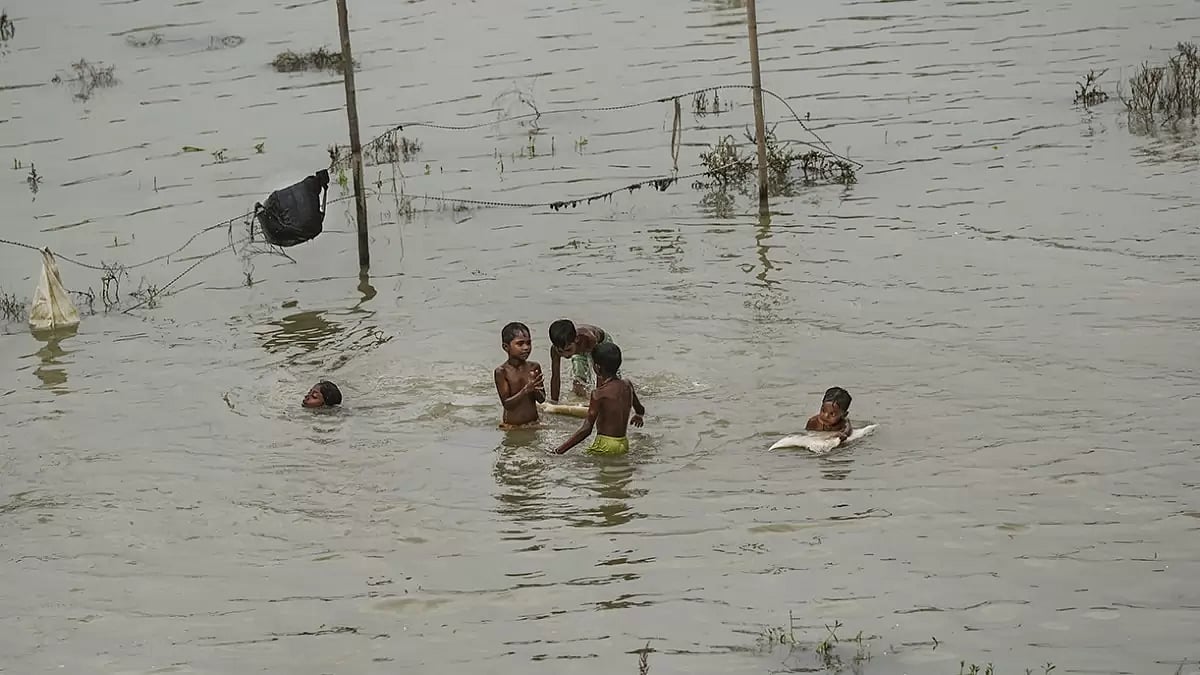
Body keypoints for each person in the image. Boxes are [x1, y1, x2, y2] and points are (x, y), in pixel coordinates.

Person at [552, 342, 645, 455]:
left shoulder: (599, 394)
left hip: (605, 445)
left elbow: (587, 429)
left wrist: (559, 450)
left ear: (597, 367)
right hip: (623, 443)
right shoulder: (627, 385)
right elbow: (640, 409)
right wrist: (638, 416)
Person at [548, 319, 614, 402]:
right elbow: (555, 376)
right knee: (579, 383)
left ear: (576, 339)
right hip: (578, 349)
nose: (566, 355)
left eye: (568, 350)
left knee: (608, 378)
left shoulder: (589, 339)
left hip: (601, 344)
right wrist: (554, 402)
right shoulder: (555, 349)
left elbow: (599, 372)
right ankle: (583, 401)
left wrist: (597, 401)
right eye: (561, 351)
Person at [494, 322, 545, 428]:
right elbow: (507, 404)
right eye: (520, 344)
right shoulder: (502, 372)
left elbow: (542, 399)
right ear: (506, 347)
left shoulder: (534, 367)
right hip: (512, 427)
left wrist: (535, 389)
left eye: (529, 343)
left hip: (533, 424)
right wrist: (525, 391)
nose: (526, 347)